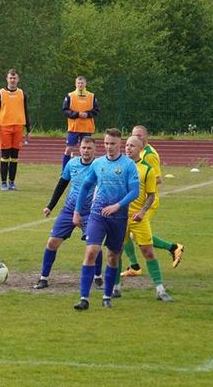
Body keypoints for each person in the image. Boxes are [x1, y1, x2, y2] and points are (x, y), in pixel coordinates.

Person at [72, 128, 139, 310]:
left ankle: (107, 295)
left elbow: (135, 191)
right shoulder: (98, 163)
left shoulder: (128, 165)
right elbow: (85, 187)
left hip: (118, 217)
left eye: (113, 144)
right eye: (107, 143)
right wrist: (77, 211)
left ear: (120, 144)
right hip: (97, 214)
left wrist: (118, 206)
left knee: (112, 257)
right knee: (91, 251)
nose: (109, 147)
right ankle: (84, 298)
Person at [33, 137, 103, 290]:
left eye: (89, 148)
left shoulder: (99, 166)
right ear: (80, 148)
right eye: (84, 147)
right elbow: (61, 185)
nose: (86, 151)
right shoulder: (72, 164)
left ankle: (98, 277)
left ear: (95, 150)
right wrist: (50, 206)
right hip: (69, 210)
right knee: (52, 242)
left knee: (93, 246)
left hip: (90, 212)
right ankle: (43, 278)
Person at [112, 135, 172, 301]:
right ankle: (116, 287)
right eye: (127, 145)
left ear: (140, 149)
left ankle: (160, 290)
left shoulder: (147, 169)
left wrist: (142, 212)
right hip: (119, 218)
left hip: (138, 217)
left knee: (148, 252)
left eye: (132, 146)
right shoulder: (118, 165)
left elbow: (151, 195)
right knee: (116, 253)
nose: (128, 148)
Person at [120, 125, 184, 277]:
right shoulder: (137, 153)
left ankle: (173, 247)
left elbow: (158, 178)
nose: (138, 138)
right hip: (134, 201)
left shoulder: (148, 155)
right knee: (127, 233)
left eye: (140, 136)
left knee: (134, 235)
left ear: (146, 138)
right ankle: (134, 266)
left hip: (145, 203)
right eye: (135, 135)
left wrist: (136, 186)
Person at [0, 69, 31, 191]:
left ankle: (12, 182)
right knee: (5, 155)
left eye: (14, 78)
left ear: (18, 79)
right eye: (10, 78)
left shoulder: (22, 93)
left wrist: (28, 129)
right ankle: (3, 183)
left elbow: (26, 110)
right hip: (5, 127)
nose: (12, 80)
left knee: (15, 156)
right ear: (7, 79)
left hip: (18, 126)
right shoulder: (1, 93)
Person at [61, 76, 99, 170]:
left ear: (85, 84)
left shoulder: (92, 96)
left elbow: (96, 111)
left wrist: (88, 114)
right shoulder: (70, 96)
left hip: (87, 128)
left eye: (82, 83)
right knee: (69, 148)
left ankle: (88, 170)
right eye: (78, 83)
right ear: (75, 84)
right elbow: (65, 111)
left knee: (87, 150)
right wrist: (77, 114)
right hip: (74, 127)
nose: (80, 85)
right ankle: (64, 170)